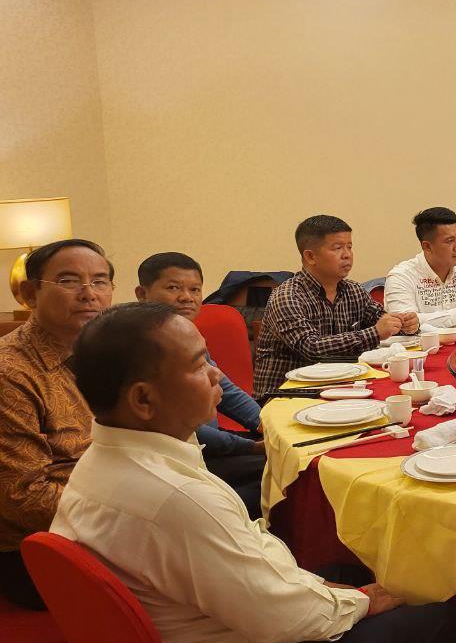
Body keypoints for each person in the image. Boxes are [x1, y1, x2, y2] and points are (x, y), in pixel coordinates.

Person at [52, 302, 456, 643]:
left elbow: (257, 587)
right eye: (198, 365)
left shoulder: (101, 462)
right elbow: (276, 613)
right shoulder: (174, 498)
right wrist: (361, 602)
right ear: (143, 400)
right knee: (444, 625)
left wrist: (333, 592)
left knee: (348, 571)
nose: (216, 374)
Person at [0, 238, 113, 610]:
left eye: (100, 281)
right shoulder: (10, 372)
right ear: (30, 293)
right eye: (68, 281)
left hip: (113, 506)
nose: (89, 293)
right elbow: (23, 498)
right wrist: (128, 512)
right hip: (41, 549)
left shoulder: (105, 352)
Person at [135, 252, 267, 518]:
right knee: (284, 471)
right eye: (174, 288)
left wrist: (265, 423)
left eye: (195, 289)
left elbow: (226, 390)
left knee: (289, 457)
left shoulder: (183, 332)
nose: (187, 297)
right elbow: (180, 425)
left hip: (211, 446)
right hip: (183, 458)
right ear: (142, 294)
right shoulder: (141, 344)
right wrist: (250, 446)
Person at [254, 216, 416, 396]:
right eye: (337, 248)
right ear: (310, 256)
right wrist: (375, 332)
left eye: (350, 247)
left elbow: (381, 319)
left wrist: (403, 324)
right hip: (288, 395)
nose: (347, 255)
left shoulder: (353, 290)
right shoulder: (288, 296)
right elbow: (312, 348)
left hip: (340, 386)